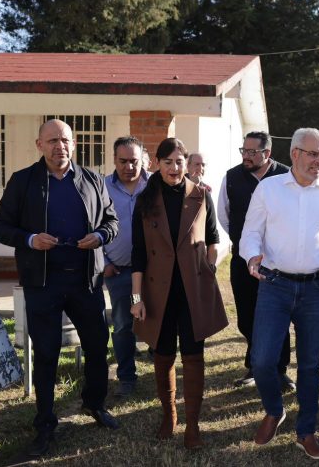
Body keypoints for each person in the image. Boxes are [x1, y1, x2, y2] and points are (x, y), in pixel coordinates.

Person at [0, 119, 119, 457]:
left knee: (96, 347)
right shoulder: (23, 181)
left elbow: (112, 221)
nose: (58, 146)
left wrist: (101, 236)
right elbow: (2, 228)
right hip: (43, 283)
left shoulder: (92, 179)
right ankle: (46, 423)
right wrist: (31, 239)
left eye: (64, 140)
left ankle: (94, 404)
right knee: (46, 354)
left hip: (85, 282)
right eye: (51, 140)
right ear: (39, 145)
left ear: (74, 144)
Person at [240, 127, 319, 460]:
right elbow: (250, 233)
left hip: (317, 288)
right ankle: (275, 409)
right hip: (274, 285)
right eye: (314, 153)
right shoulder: (269, 189)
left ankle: (305, 432)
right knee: (261, 360)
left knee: (308, 366)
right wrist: (252, 255)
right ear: (295, 154)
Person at [130, 137, 228, 449]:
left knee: (193, 354)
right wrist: (136, 299)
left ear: (187, 163)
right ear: (157, 164)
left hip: (192, 289)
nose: (175, 168)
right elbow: (138, 253)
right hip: (158, 291)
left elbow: (213, 237)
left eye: (179, 161)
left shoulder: (201, 195)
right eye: (168, 161)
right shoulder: (145, 201)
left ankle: (193, 426)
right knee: (163, 354)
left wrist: (208, 268)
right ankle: (169, 415)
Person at [217, 131, 292, 389]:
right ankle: (254, 364)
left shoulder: (286, 176)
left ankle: (280, 369)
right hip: (243, 260)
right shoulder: (232, 177)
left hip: (278, 263)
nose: (246, 156)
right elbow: (224, 216)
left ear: (267, 153)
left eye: (251, 152)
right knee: (247, 315)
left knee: (279, 315)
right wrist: (244, 243)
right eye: (243, 151)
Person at [103, 136, 150, 398]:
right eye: (123, 161)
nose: (129, 167)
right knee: (123, 325)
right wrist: (105, 262)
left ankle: (162, 372)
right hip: (121, 273)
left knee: (157, 321)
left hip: (152, 274)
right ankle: (127, 378)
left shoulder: (154, 184)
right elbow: (92, 226)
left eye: (134, 161)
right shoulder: (102, 188)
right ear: (114, 160)